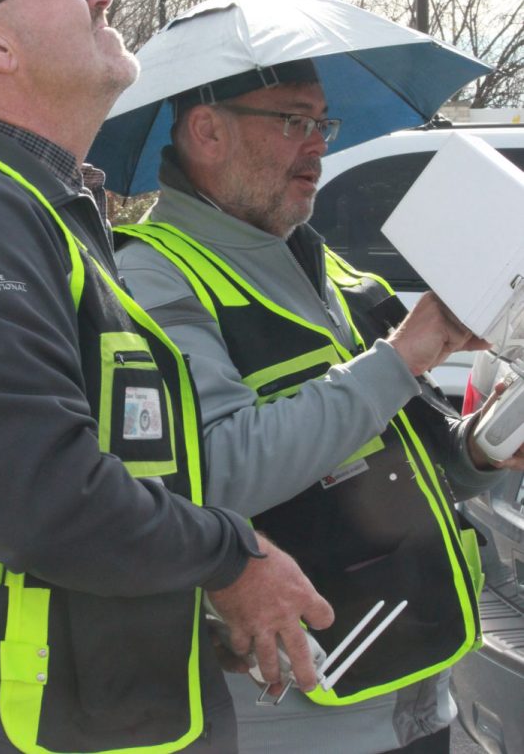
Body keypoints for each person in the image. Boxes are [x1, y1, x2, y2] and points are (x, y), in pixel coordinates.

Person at [0, 0, 335, 754]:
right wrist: (232, 557)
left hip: (76, 715)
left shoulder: (35, 211)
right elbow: (46, 502)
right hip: (8, 728)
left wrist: (191, 599)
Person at [115, 71, 524, 754]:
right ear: (208, 131)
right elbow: (218, 473)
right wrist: (402, 356)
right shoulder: (149, 279)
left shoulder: (319, 263)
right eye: (291, 122)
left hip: (418, 688)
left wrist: (480, 453)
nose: (316, 149)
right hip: (291, 716)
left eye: (322, 126)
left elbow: (400, 468)